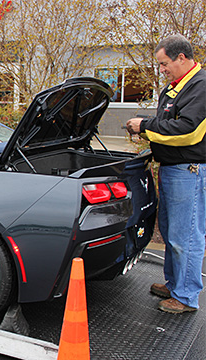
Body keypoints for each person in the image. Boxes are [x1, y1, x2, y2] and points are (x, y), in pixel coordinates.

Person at [126, 34, 206, 314]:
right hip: (172, 170)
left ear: (182, 58)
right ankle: (174, 284)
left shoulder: (201, 86)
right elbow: (166, 122)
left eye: (164, 63)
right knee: (172, 232)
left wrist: (145, 127)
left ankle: (185, 297)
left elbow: (189, 131)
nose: (161, 69)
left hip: (189, 171)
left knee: (187, 236)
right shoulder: (176, 88)